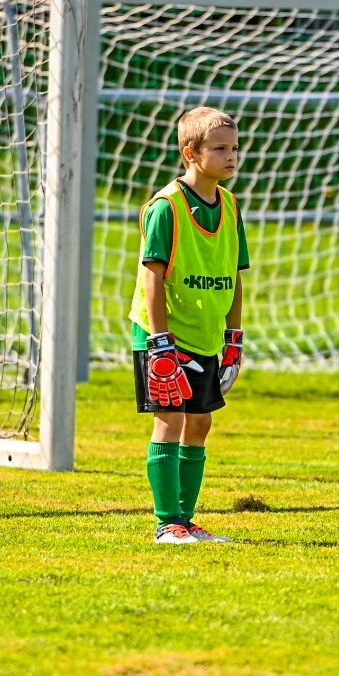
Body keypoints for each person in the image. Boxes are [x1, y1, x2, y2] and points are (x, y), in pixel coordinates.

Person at [129, 107, 248, 544]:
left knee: (200, 423)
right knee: (170, 420)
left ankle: (187, 519)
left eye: (235, 148)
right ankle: (167, 523)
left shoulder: (232, 206)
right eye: (220, 149)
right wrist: (160, 342)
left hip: (203, 333)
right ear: (191, 153)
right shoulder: (166, 208)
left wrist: (233, 340)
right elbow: (152, 276)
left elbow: (234, 274)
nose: (231, 156)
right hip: (163, 335)